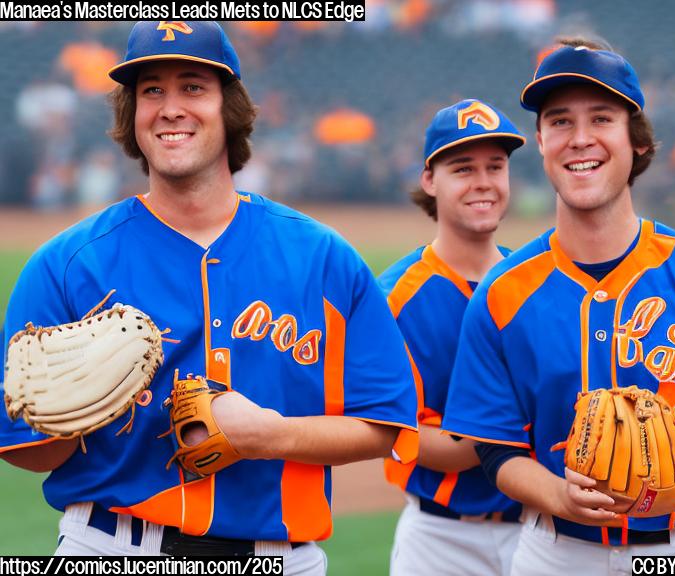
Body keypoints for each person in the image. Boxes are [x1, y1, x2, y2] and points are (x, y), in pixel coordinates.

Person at [0, 21, 418, 573]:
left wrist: (275, 435)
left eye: (193, 87)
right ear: (133, 115)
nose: (171, 107)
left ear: (231, 108)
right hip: (109, 549)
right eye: (151, 91)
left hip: (280, 559)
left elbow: (384, 423)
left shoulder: (322, 258)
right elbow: (28, 450)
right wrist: (83, 409)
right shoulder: (67, 264)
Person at [440, 39, 675, 574]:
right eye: (561, 121)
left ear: (636, 140)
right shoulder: (501, 292)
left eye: (602, 118)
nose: (580, 138)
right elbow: (495, 449)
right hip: (553, 550)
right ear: (540, 141)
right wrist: (558, 495)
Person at [378, 99, 526, 576]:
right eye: (463, 168)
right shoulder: (395, 299)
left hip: (542, 531)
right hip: (441, 540)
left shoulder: (537, 281)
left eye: (495, 167)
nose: (483, 182)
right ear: (429, 181)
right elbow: (398, 433)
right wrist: (516, 435)